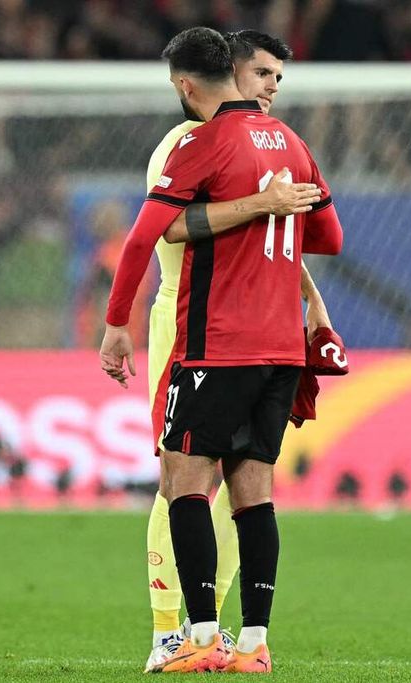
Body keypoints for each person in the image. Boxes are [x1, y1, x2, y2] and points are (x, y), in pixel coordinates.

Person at [100, 27, 343, 673]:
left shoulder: (259, 141)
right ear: (228, 75)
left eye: (275, 78)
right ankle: (174, 627)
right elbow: (169, 233)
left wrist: (311, 296)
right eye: (261, 74)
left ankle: (208, 631)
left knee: (216, 484)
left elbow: (275, 233)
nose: (268, 88)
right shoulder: (186, 144)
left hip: (231, 333)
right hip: (186, 325)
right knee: (195, 483)